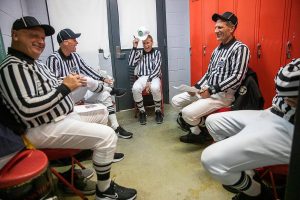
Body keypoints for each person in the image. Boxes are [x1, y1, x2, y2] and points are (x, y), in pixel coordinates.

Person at [0, 16, 137, 199]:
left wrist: (71, 82)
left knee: (102, 110)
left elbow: (59, 81)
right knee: (107, 137)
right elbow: (27, 110)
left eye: (42, 38)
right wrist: (66, 86)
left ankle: (91, 156)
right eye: (34, 36)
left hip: (63, 115)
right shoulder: (13, 67)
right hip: (42, 128)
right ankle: (105, 192)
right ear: (15, 35)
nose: (41, 41)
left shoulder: (34, 62)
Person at [201, 58, 300, 200]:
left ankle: (258, 192)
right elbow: (284, 77)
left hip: (292, 128)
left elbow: (284, 79)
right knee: (212, 122)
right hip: (272, 112)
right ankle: (250, 174)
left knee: (211, 160)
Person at [171, 12, 250, 144]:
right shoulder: (217, 50)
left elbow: (237, 77)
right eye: (215, 28)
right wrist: (195, 87)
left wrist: (212, 90)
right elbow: (209, 73)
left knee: (187, 114)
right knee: (175, 101)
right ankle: (198, 133)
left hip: (222, 96)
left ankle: (202, 129)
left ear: (231, 28)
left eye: (220, 27)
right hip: (207, 90)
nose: (216, 31)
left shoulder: (240, 49)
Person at [46, 28, 133, 139]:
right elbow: (54, 83)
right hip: (66, 97)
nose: (77, 42)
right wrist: (72, 80)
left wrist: (102, 78)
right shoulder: (53, 59)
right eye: (74, 39)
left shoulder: (75, 56)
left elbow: (87, 68)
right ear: (65, 42)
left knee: (104, 95)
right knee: (84, 79)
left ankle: (116, 128)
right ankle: (111, 90)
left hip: (78, 91)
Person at [128, 26, 163, 125]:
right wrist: (134, 46)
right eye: (144, 43)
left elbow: (157, 68)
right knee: (135, 88)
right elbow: (131, 63)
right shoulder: (139, 53)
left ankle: (158, 110)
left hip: (154, 76)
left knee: (155, 87)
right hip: (142, 77)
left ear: (152, 42)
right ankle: (142, 112)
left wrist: (149, 80)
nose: (146, 45)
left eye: (148, 43)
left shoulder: (157, 53)